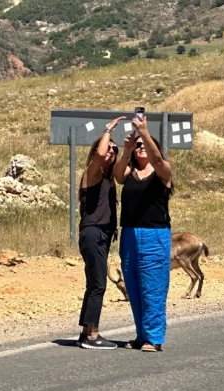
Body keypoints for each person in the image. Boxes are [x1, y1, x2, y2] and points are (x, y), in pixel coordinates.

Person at [112, 116, 173, 353]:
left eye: (145, 145)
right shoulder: (129, 173)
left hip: (155, 235)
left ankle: (154, 338)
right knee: (135, 287)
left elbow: (158, 160)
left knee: (153, 287)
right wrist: (126, 150)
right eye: (138, 146)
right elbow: (117, 175)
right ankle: (141, 335)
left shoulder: (162, 173)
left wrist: (144, 133)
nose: (141, 149)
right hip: (129, 234)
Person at [76, 116, 123, 350]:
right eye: (109, 148)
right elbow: (101, 155)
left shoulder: (107, 178)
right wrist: (108, 130)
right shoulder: (92, 173)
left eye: (116, 149)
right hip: (93, 233)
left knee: (93, 284)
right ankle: (93, 336)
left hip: (100, 235)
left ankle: (86, 332)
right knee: (98, 286)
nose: (112, 151)